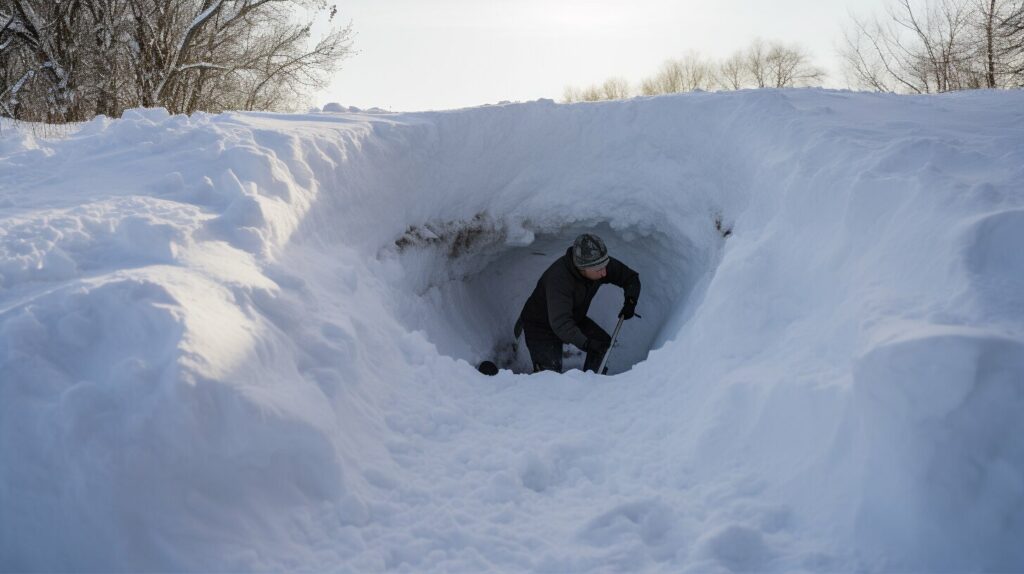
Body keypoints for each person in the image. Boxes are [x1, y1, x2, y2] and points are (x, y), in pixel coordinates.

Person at [515, 233, 641, 373]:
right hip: (541, 326)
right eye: (599, 269)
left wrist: (631, 301)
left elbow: (630, 278)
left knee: (602, 345)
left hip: (572, 317)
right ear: (582, 268)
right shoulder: (559, 279)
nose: (604, 273)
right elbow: (561, 323)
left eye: (605, 266)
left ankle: (592, 382)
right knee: (549, 376)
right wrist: (586, 344)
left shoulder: (598, 263)